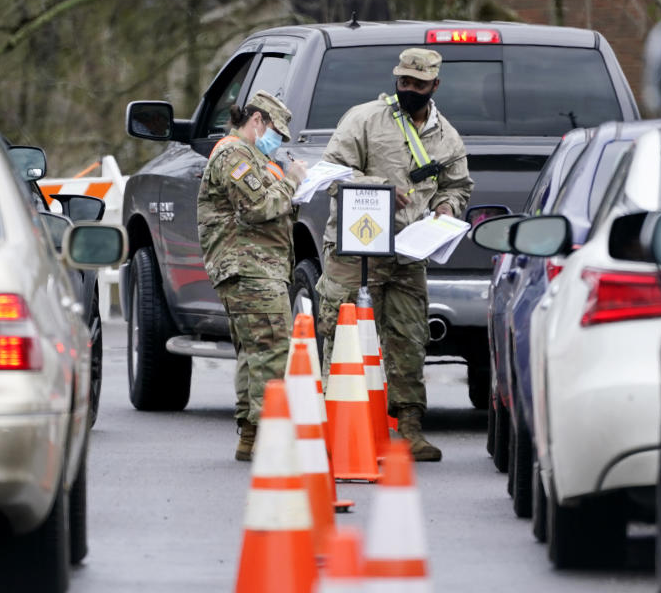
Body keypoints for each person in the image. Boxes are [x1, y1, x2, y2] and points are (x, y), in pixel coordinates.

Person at [315, 48, 473, 461]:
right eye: (404, 82)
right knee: (343, 335)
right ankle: (339, 428)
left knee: (409, 339)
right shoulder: (364, 119)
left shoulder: (447, 137)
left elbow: (458, 186)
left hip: (409, 252)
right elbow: (331, 173)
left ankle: (410, 428)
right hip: (356, 250)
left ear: (434, 86)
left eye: (418, 85)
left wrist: (446, 208)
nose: (409, 90)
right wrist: (380, 188)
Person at [197, 90, 308, 461]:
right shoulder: (234, 154)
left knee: (253, 352)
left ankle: (250, 436)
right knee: (272, 352)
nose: (278, 142)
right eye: (276, 131)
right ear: (257, 120)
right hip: (251, 270)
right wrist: (292, 181)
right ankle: (268, 439)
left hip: (254, 269)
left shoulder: (249, 156)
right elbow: (258, 206)